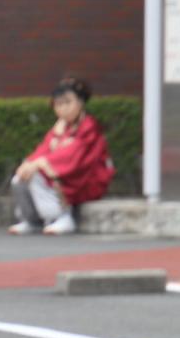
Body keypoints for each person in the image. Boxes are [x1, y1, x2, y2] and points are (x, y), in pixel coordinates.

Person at [8, 77, 114, 236]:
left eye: (67, 103)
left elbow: (73, 158)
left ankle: (61, 217)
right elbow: (43, 150)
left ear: (80, 103)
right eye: (58, 104)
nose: (63, 108)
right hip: (66, 172)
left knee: (37, 174)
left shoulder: (88, 127)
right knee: (21, 177)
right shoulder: (59, 127)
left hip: (86, 178)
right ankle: (32, 220)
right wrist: (29, 164)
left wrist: (40, 164)